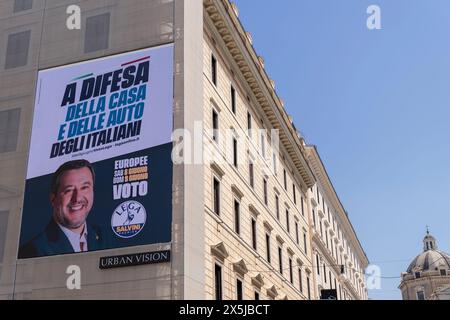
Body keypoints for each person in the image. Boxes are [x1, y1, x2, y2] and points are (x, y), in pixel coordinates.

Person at [19, 160, 104, 258]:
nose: (77, 198)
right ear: (53, 199)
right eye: (69, 190)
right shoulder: (33, 251)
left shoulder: (107, 236)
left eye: (84, 187)